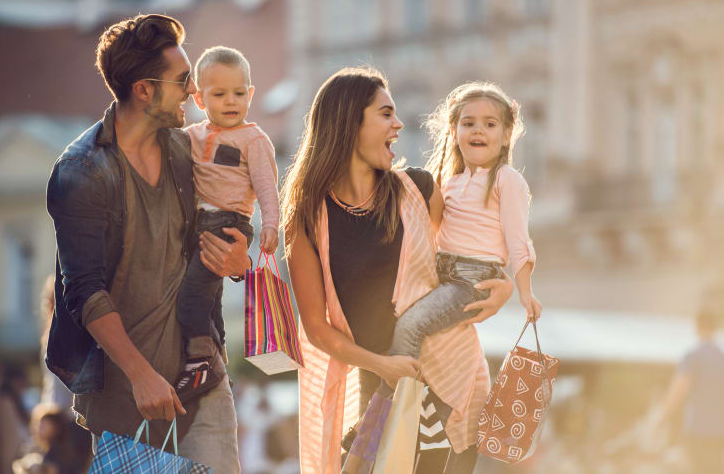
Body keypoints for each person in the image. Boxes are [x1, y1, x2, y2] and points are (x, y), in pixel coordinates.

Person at [281, 67, 514, 474]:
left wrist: (503, 284)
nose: (399, 124)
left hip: (448, 381)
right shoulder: (305, 218)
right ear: (351, 122)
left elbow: (465, 258)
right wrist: (381, 364)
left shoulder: (420, 190)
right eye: (386, 113)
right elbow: (316, 329)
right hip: (379, 385)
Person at [45, 14, 248, 472]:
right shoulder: (81, 171)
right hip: (124, 395)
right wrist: (140, 376)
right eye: (183, 81)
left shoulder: (186, 150)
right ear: (144, 90)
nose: (193, 92)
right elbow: (85, 291)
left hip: (201, 379)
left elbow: (225, 219)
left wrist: (238, 259)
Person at [346, 81, 541, 466]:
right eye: (469, 123)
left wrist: (523, 291)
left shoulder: (507, 180)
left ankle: (377, 420)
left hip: (472, 280)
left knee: (412, 327)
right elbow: (428, 236)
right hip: (443, 273)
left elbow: (519, 240)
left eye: (489, 124)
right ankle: (389, 418)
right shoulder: (449, 182)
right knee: (400, 319)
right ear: (453, 132)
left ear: (506, 136)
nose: (478, 131)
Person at [174, 46, 279, 401]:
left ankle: (199, 362)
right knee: (209, 299)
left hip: (229, 223)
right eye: (219, 94)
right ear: (200, 99)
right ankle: (219, 363)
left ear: (250, 94)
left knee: (190, 297)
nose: (230, 101)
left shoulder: (254, 139)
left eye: (238, 93)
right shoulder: (192, 135)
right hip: (200, 223)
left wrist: (271, 225)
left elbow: (267, 187)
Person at [656, 307, 724, 473]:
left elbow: (678, 392)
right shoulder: (721, 357)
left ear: (696, 326)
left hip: (698, 428)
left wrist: (661, 419)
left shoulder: (693, 356)